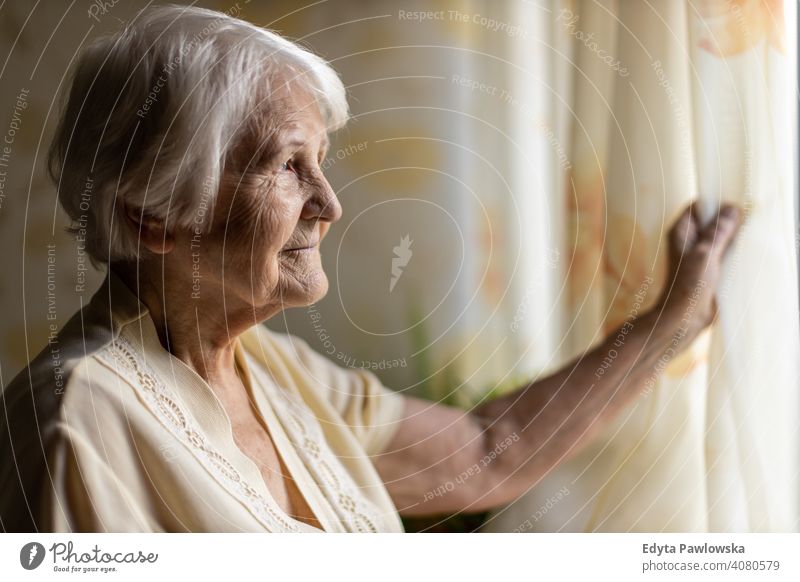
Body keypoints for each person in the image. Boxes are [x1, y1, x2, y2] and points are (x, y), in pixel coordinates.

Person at [0, 5, 740, 532]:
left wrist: (672, 321)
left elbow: (492, 452)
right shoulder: (77, 415)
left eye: (320, 163)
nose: (329, 204)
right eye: (288, 167)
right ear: (152, 218)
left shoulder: (278, 373)